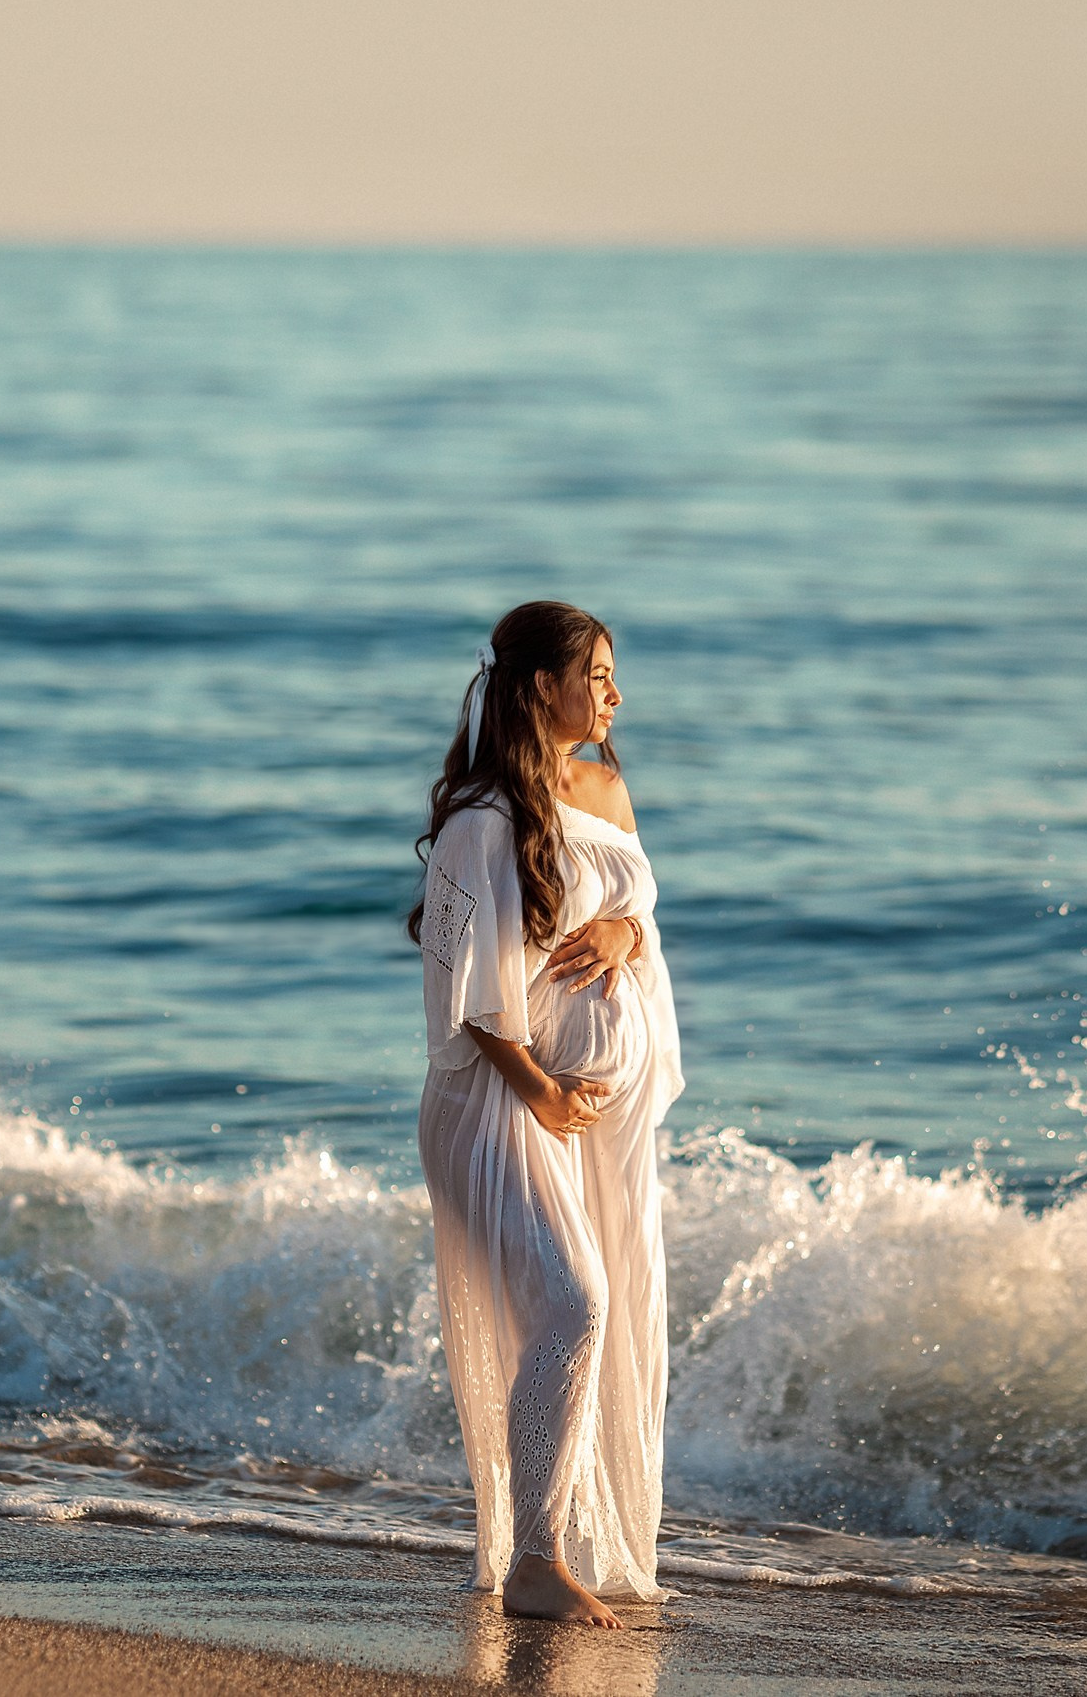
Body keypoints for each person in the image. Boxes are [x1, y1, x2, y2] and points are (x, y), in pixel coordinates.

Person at [409, 600, 684, 1628]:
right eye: (598, 673)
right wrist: (540, 1088)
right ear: (540, 687)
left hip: (594, 1117)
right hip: (503, 1103)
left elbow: (632, 907)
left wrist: (623, 936)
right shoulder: (484, 814)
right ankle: (533, 1558)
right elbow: (469, 988)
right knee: (572, 1305)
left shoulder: (606, 783)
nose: (616, 692)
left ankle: (563, 1545)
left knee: (602, 1315)